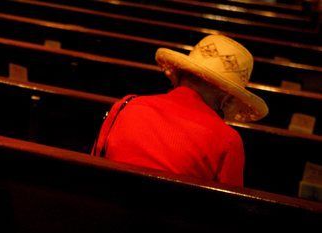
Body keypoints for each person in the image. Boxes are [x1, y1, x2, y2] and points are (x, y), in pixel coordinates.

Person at [92, 35, 268, 187]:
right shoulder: (228, 141)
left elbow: (94, 167)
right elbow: (229, 213)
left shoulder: (127, 105)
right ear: (228, 99)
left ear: (178, 75)